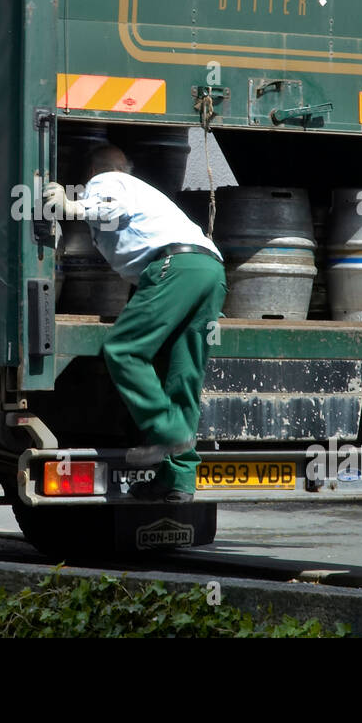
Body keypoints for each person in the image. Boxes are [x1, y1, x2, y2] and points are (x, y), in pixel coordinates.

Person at [44, 144, 227, 503]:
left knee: (123, 349)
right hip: (209, 270)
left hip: (175, 269)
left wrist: (71, 206)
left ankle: (167, 430)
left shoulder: (107, 180)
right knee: (182, 375)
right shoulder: (148, 194)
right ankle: (178, 480)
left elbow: (113, 208)